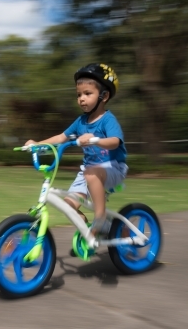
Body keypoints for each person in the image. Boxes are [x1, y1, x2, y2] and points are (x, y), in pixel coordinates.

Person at [24, 63, 128, 240]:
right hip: (87, 172)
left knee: (91, 174)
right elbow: (61, 137)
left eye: (87, 93)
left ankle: (101, 218)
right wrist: (37, 143)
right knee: (68, 205)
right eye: (79, 94)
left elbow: (115, 142)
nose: (81, 98)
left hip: (113, 168)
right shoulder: (80, 121)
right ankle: (90, 233)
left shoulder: (108, 120)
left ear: (104, 96)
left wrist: (96, 140)